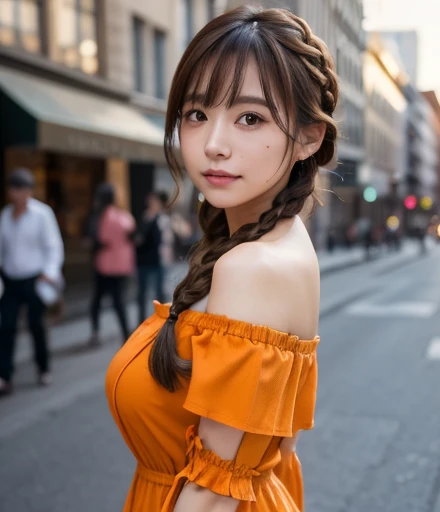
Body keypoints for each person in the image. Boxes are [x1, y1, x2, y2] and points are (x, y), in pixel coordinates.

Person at [105, 6, 338, 511]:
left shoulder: (252, 267)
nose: (213, 144)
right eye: (197, 114)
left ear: (308, 137)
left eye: (249, 118)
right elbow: (281, 446)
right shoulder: (277, 243)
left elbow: (211, 495)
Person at [0, 168, 64, 396]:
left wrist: (49, 272)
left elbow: (53, 245)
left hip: (35, 279)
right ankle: (4, 375)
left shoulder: (42, 213)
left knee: (37, 326)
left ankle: (43, 368)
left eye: (24, 190)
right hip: (11, 280)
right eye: (15, 189)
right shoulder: (5, 216)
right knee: (5, 327)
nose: (19, 194)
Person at [88, 183, 135, 346]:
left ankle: (95, 333)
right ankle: (125, 334)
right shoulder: (123, 216)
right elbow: (131, 232)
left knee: (97, 302)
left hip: (105, 266)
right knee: (119, 302)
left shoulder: (102, 217)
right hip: (121, 266)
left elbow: (100, 239)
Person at [135, 191, 168, 324]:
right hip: (143, 260)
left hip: (156, 260)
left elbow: (161, 239)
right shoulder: (144, 217)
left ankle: (161, 320)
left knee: (159, 293)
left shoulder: (161, 218)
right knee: (142, 294)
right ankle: (141, 321)